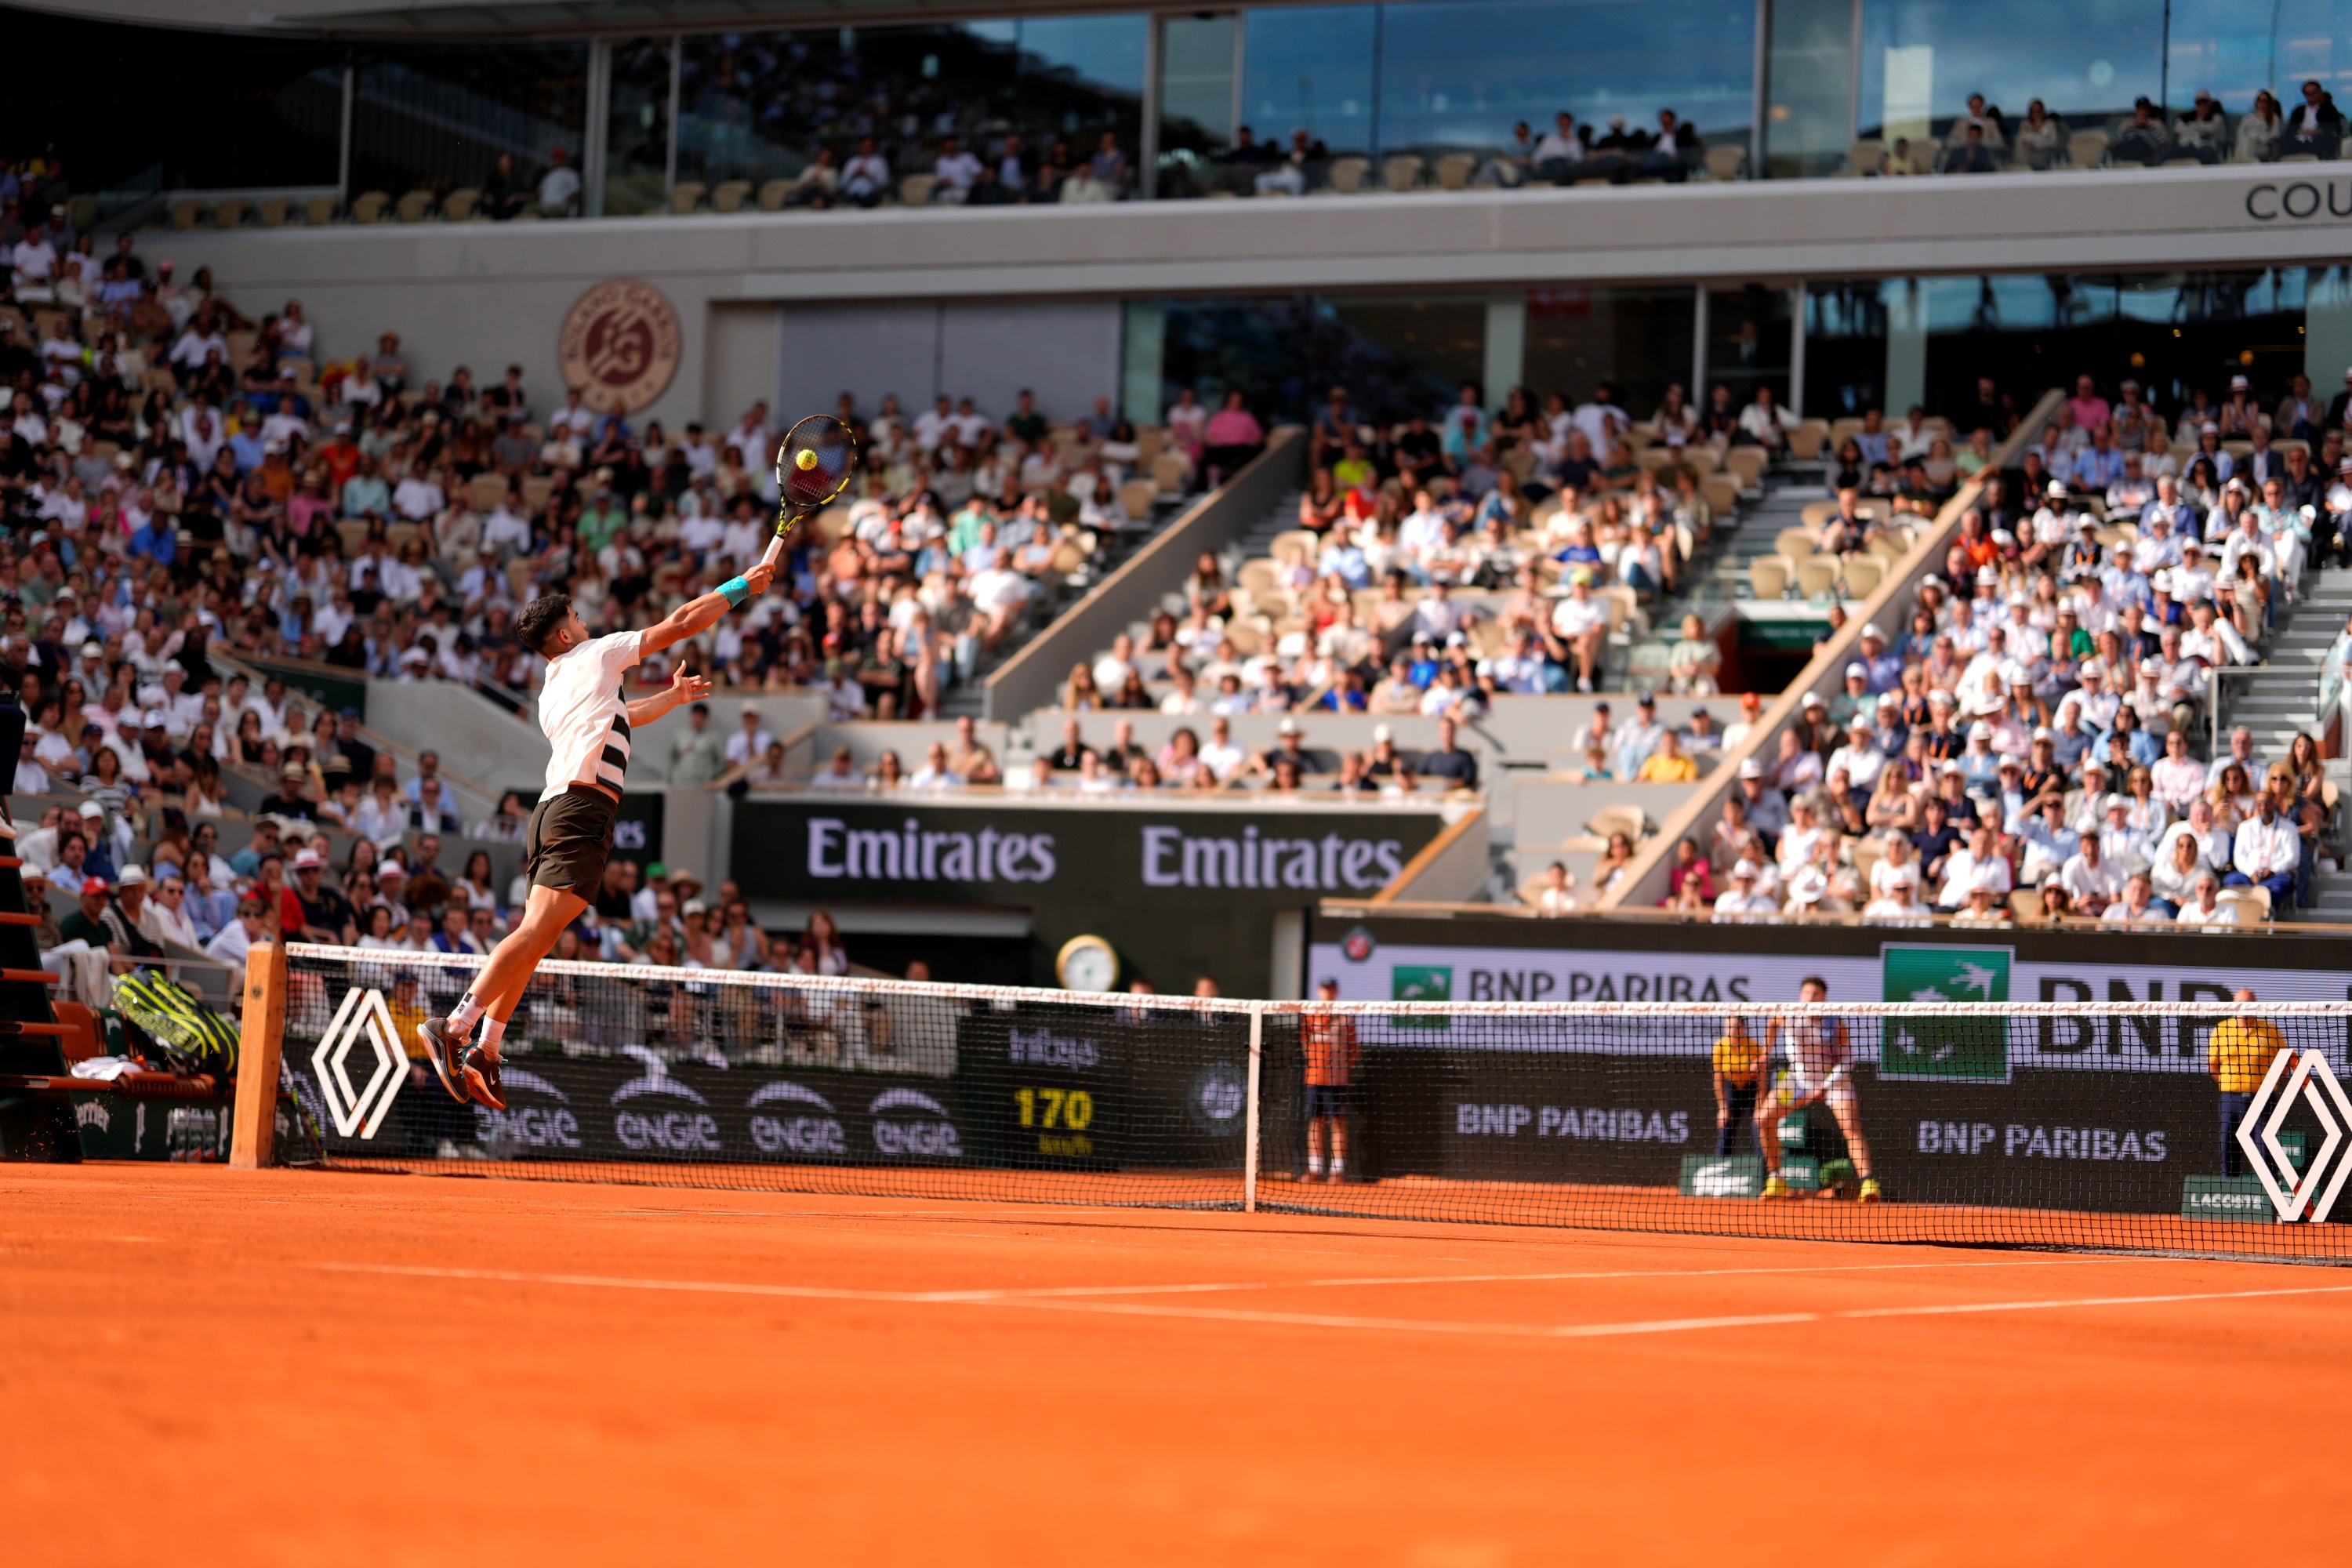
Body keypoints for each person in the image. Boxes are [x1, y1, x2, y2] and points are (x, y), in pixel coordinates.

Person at [416, 561, 775, 1109]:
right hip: (580, 809)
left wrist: (673, 700)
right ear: (565, 634)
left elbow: (621, 716)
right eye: (578, 618)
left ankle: (487, 1048)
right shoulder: (596, 653)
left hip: (557, 811)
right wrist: (742, 587)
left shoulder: (555, 687)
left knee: (537, 939)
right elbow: (679, 623)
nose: (586, 623)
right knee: (535, 931)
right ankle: (454, 1027)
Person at [1758, 975, 1880, 1203]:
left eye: (1815, 994)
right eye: (1806, 993)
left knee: (1851, 1127)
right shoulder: (1788, 1015)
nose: (1809, 998)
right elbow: (1772, 1023)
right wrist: (1766, 1052)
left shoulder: (1836, 1023)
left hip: (1833, 1079)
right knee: (1764, 1119)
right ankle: (1776, 1179)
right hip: (1797, 1078)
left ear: (1824, 998)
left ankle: (1868, 1183)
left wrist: (1825, 1085)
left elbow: (1847, 1060)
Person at [2209, 989, 2288, 1181]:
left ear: (2255, 1005)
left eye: (2248, 1003)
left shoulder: (2271, 1031)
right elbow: (2213, 1067)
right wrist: (2232, 1083)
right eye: (2240, 1003)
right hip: (2230, 1099)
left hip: (2262, 1099)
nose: (2244, 1008)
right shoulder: (2221, 1030)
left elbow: (2285, 1065)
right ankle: (2229, 1192)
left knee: (2265, 1146)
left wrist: (2269, 1085)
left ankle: (2271, 1196)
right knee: (2228, 1145)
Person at [1300, 978, 1358, 1182]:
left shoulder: (1345, 1018)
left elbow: (1353, 1050)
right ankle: (1314, 1169)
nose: (1327, 993)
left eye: (1331, 989)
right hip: (1314, 1079)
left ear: (1336, 991)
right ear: (1319, 991)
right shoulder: (1309, 1015)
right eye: (1324, 989)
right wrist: (1318, 1065)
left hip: (1338, 1080)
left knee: (1338, 1122)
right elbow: (1305, 1045)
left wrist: (1340, 1069)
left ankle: (1337, 1171)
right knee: (1316, 1122)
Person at [1711, 1016, 1764, 1157]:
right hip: (1732, 1090)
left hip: (1752, 1089)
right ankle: (1720, 1167)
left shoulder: (1755, 1047)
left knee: (1760, 1128)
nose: (1732, 1030)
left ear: (1743, 1028)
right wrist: (1722, 1108)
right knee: (1726, 1129)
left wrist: (1760, 1106)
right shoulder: (1720, 1046)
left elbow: (1762, 1080)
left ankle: (1765, 1172)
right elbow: (1718, 1079)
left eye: (1735, 1026)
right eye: (1728, 1027)